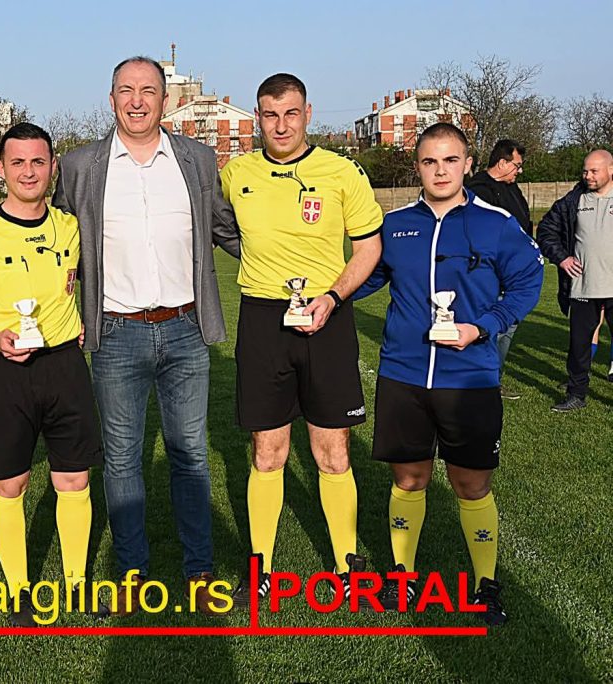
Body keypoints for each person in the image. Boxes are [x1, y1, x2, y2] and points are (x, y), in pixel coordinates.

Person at [51, 56, 239, 617]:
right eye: (127, 91)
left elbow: (226, 229)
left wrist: (291, 266)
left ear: (165, 100)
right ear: (111, 99)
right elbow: (56, 240)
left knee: (190, 454)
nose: (137, 101)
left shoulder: (197, 159)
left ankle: (199, 571)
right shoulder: (80, 166)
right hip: (116, 333)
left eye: (149, 91)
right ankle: (132, 572)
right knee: (122, 459)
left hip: (185, 329)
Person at [354, 123, 543, 626]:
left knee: (470, 483)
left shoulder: (496, 223)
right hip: (404, 373)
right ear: (417, 167)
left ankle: (485, 584)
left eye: (450, 160)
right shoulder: (395, 225)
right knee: (408, 478)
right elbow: (366, 277)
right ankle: (402, 576)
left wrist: (483, 327)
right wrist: (321, 294)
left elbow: (528, 281)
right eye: (430, 162)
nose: (440, 171)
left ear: (467, 164)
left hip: (470, 376)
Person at [219, 73, 383, 607]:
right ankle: (260, 570)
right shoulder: (236, 174)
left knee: (332, 450)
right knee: (267, 451)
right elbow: (215, 228)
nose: (281, 125)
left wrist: (332, 298)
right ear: (257, 118)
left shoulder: (341, 172)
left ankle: (347, 565)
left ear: (308, 114)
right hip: (263, 320)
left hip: (326, 317)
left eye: (291, 113)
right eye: (270, 115)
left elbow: (369, 248)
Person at [0, 122, 108, 626]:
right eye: (18, 162)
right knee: (9, 485)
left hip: (64, 367)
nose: (29, 172)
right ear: (1, 169)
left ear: (53, 167)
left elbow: (84, 280)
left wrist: (81, 319)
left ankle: (76, 585)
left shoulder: (70, 227)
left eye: (38, 162)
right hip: (5, 372)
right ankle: (18, 592)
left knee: (74, 479)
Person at [537, 149, 613, 412]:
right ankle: (576, 394)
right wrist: (562, 258)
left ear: (610, 170)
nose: (588, 176)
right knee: (579, 346)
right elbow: (546, 230)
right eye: (585, 170)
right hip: (583, 287)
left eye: (594, 171)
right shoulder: (573, 200)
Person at [467, 139, 532, 400]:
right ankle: (479, 380)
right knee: (489, 327)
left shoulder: (512, 189)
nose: (519, 170)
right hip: (489, 275)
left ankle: (493, 379)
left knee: (509, 325)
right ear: (502, 163)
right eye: (517, 165)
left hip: (514, 273)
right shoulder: (477, 191)